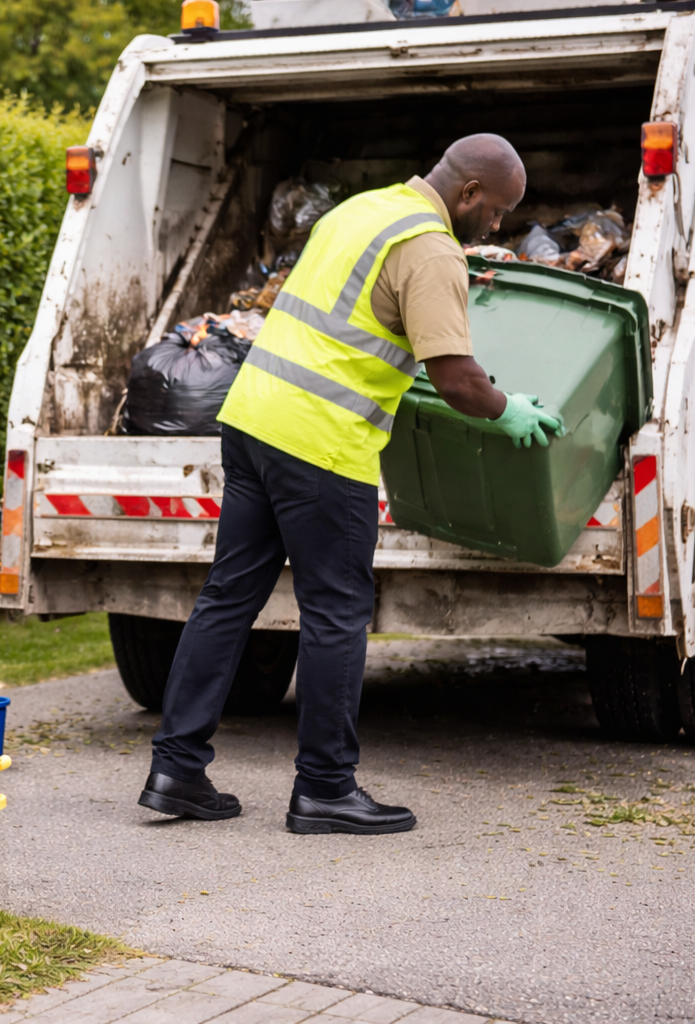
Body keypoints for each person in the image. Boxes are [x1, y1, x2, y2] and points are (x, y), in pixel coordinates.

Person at [139, 134, 562, 835]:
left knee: (227, 597)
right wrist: (506, 409)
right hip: (322, 445)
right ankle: (326, 789)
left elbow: (355, 313)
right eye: (496, 213)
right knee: (335, 613)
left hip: (251, 420)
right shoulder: (430, 249)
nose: (498, 227)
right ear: (467, 194)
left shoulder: (364, 211)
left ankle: (176, 768)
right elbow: (455, 378)